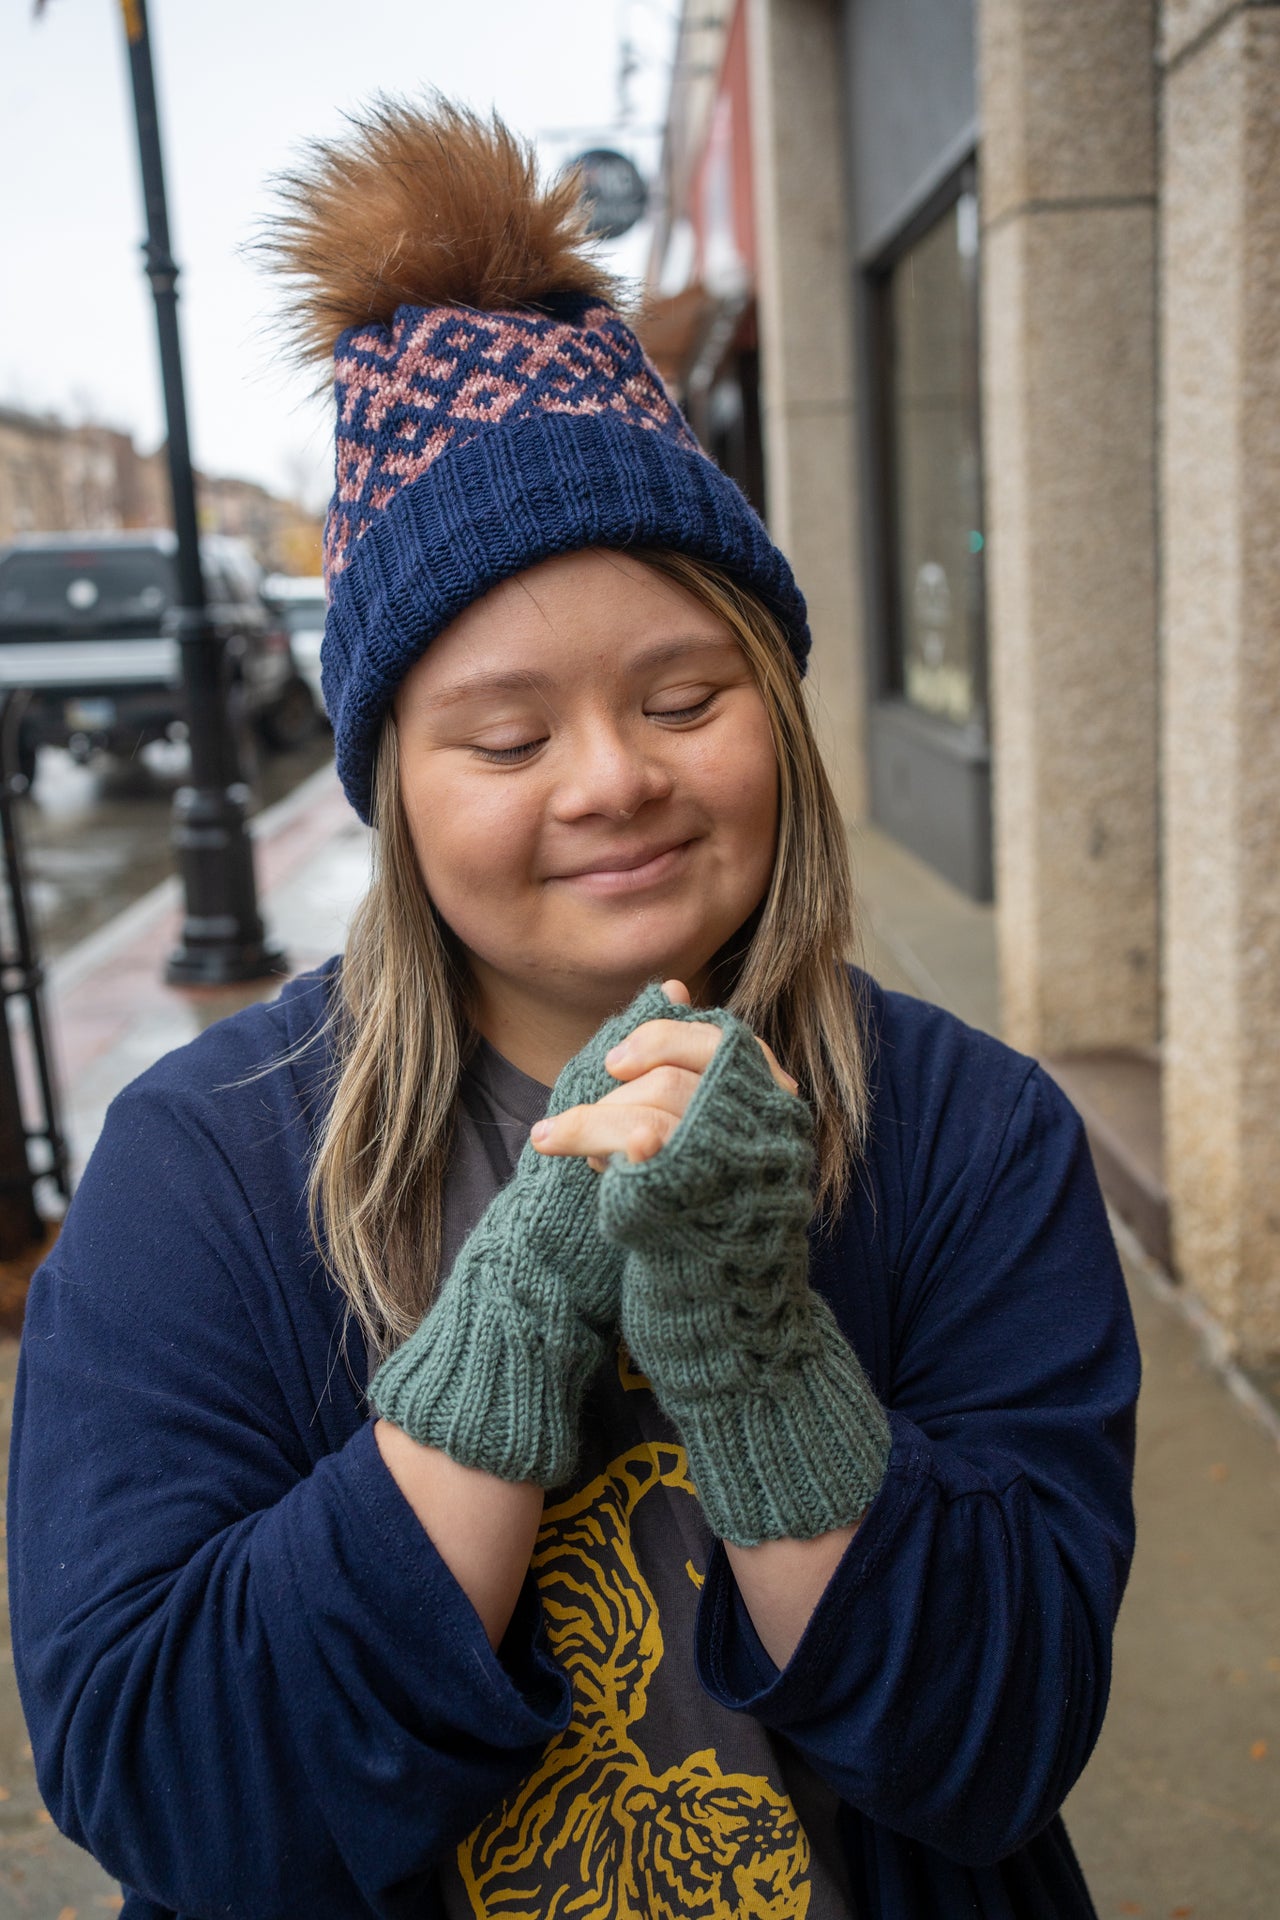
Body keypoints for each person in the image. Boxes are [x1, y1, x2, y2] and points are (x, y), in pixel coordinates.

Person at [8, 102, 1139, 1920]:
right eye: (509, 737)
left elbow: (996, 1745)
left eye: (686, 697)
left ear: (777, 702)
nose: (609, 781)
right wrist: (511, 1318)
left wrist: (758, 1342)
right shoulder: (201, 1166)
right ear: (394, 786)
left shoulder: (973, 1131)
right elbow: (169, 1784)